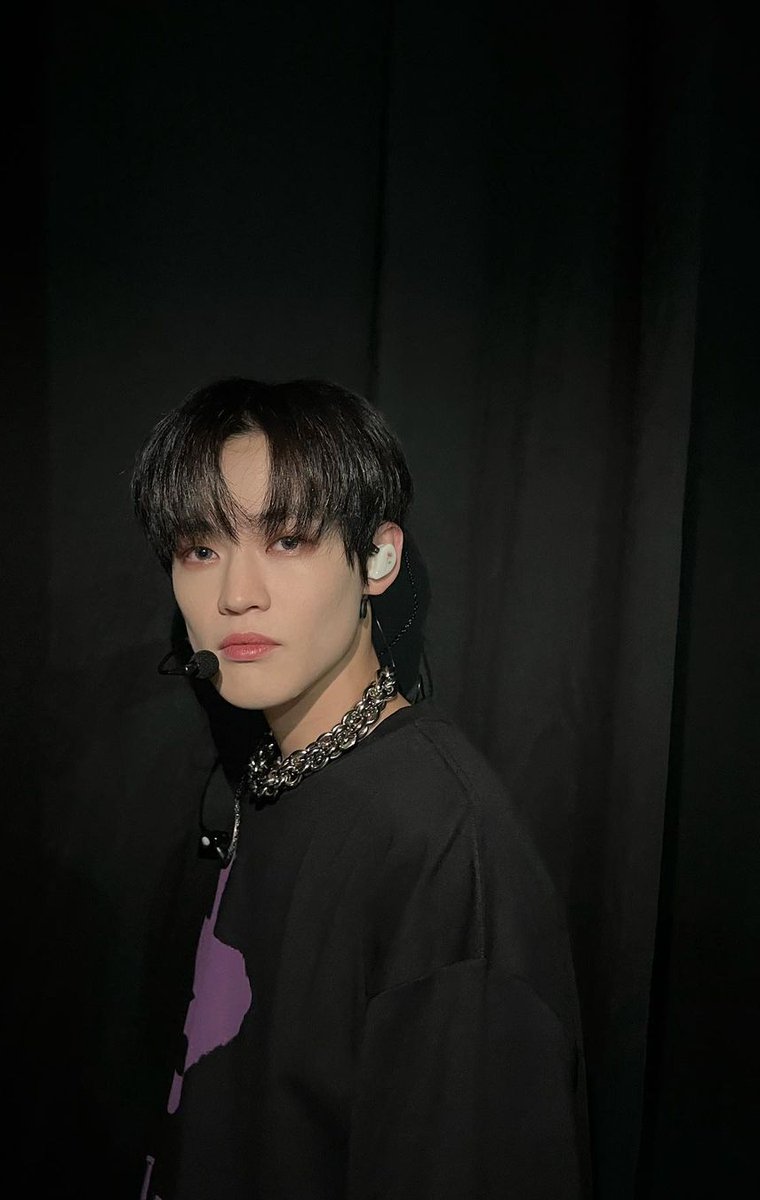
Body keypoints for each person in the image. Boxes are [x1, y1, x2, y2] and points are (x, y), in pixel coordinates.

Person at [130, 378, 591, 1199]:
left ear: (378, 557)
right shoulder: (259, 781)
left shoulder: (440, 841)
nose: (236, 594)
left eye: (288, 540)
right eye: (201, 549)